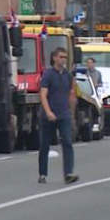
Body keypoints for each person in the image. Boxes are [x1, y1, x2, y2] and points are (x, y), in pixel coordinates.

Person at [39, 47, 79, 184]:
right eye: (61, 57)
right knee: (45, 144)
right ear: (54, 58)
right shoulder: (48, 74)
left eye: (65, 57)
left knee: (67, 142)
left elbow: (71, 94)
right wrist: (48, 112)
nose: (63, 60)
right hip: (49, 115)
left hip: (64, 114)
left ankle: (68, 173)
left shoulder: (68, 75)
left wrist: (71, 114)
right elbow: (43, 95)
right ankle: (43, 173)